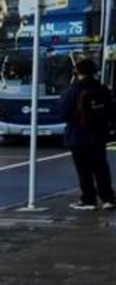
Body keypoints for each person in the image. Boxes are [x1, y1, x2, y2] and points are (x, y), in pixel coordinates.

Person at [59, 59, 116, 211]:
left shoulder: (73, 90)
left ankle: (88, 199)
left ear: (77, 72)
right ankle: (108, 198)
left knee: (84, 170)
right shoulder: (102, 89)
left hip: (78, 135)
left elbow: (63, 114)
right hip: (99, 134)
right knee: (101, 168)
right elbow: (112, 110)